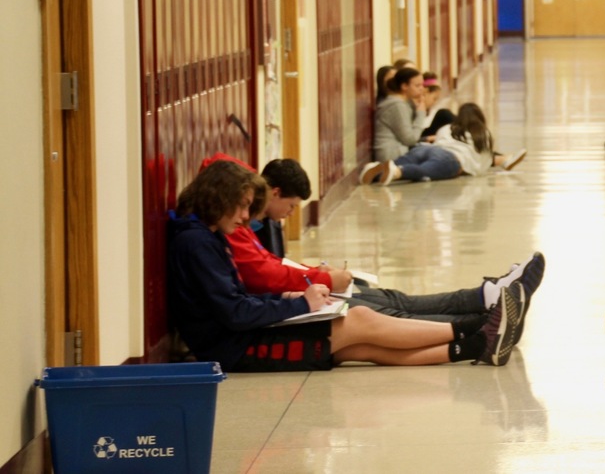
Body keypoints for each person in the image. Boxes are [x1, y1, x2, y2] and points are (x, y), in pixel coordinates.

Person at [166, 160, 526, 371]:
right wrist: (298, 304)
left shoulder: (206, 235)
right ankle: (478, 325)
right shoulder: (197, 242)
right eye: (242, 206)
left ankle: (477, 347)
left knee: (363, 346)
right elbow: (234, 312)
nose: (247, 216)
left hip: (234, 337)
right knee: (360, 321)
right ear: (219, 199)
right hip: (232, 348)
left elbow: (235, 300)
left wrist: (293, 297)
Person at [210, 154, 546, 325]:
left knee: (390, 299)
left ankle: (489, 297)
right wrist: (323, 278)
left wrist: (316, 274)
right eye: (241, 205)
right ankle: (487, 314)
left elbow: (269, 267)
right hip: (289, 307)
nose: (244, 213)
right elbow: (261, 276)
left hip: (297, 296)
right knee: (385, 312)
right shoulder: (233, 230)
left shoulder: (246, 227)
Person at [362, 103, 510, 185]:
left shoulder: (448, 128)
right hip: (451, 159)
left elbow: (439, 141)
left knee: (405, 160)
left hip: (428, 149)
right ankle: (397, 172)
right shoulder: (483, 135)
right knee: (424, 171)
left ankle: (378, 169)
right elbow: (482, 164)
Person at [374, 66, 427, 162]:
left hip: (399, 153)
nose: (422, 89)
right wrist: (421, 113)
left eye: (422, 85)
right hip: (391, 158)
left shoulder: (402, 103)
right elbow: (410, 140)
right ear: (404, 86)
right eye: (417, 85)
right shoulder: (397, 105)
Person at [420, 71, 456, 140]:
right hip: (420, 138)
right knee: (443, 113)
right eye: (434, 99)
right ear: (426, 92)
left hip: (424, 134)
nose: (435, 102)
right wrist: (427, 138)